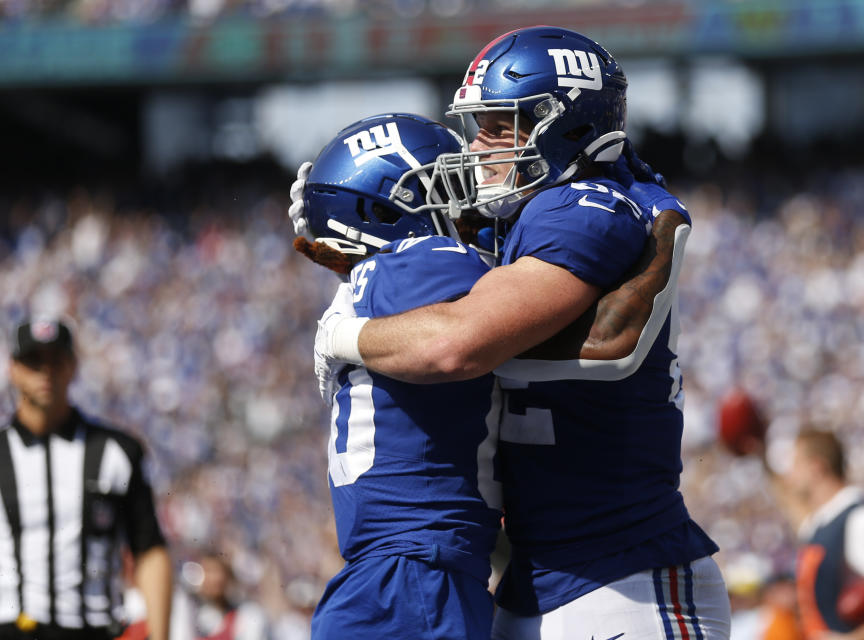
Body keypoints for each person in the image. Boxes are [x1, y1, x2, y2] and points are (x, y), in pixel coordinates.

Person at [309, 26, 730, 640]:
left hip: (623, 573)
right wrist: (345, 217)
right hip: (539, 579)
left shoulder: (583, 206)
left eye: (497, 126)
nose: (477, 148)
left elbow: (459, 342)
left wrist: (345, 336)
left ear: (566, 124)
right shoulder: (522, 221)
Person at [291, 112, 505, 639]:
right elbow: (527, 298)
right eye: (445, 185)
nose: (468, 201)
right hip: (417, 576)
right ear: (384, 206)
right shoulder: (425, 261)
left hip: (387, 575)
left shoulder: (376, 283)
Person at [0, 317, 173, 640]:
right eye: (33, 361)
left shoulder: (117, 453)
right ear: (12, 369)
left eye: (56, 361)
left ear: (72, 367)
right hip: (10, 632)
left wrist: (161, 634)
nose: (46, 372)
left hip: (93, 629)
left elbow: (150, 551)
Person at [776, 430, 864, 639]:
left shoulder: (855, 518)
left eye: (796, 463)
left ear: (816, 466)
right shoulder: (817, 523)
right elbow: (790, 504)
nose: (790, 474)